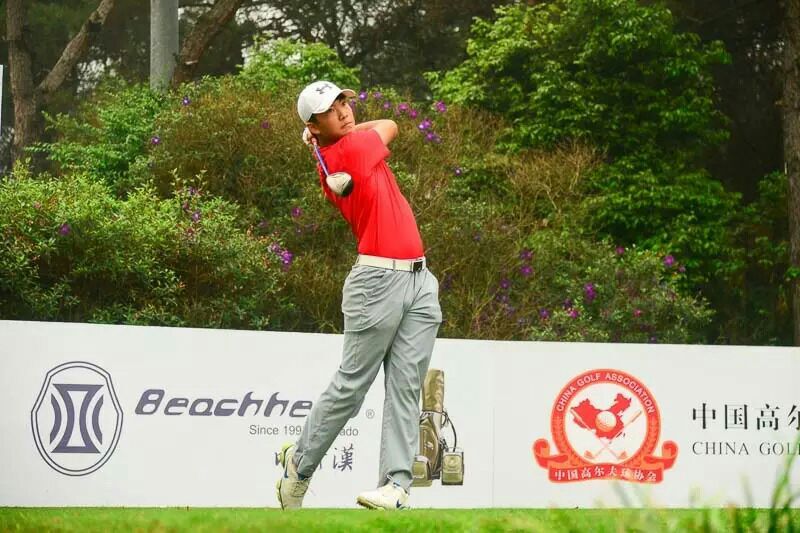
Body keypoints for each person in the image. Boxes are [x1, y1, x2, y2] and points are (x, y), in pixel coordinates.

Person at [276, 80, 442, 510]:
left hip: (419, 279)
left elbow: (379, 125)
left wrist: (319, 137)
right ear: (315, 124)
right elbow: (390, 125)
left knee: (406, 387)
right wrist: (327, 140)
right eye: (331, 110)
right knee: (351, 387)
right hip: (377, 283)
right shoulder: (349, 151)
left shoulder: (340, 147)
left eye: (344, 103)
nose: (345, 111)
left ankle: (395, 487)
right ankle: (299, 465)